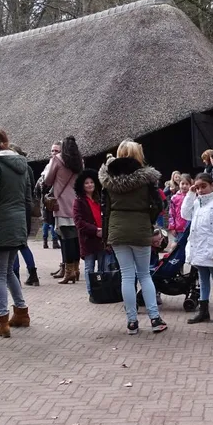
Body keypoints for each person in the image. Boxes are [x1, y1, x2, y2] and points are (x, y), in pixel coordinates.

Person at [98, 140, 168, 335]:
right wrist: (149, 221)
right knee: (144, 275)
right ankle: (154, 318)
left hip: (117, 229)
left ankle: (132, 322)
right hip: (140, 228)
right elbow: (158, 205)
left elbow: (105, 209)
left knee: (127, 276)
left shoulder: (107, 179)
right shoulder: (147, 179)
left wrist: (106, 235)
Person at [0, 128, 32, 338]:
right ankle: (21, 312)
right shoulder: (23, 164)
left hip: (1, 222)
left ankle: (2, 319)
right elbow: (28, 197)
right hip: (19, 221)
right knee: (9, 270)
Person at [182, 173, 213, 326]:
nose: (200, 190)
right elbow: (185, 214)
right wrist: (190, 194)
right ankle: (203, 310)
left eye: (203, 186)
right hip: (199, 247)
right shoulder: (198, 202)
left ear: (212, 185)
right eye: (197, 187)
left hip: (212, 247)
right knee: (202, 278)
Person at [45, 136, 84, 284]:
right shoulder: (80, 161)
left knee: (66, 239)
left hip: (61, 203)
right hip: (76, 203)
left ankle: (69, 272)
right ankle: (76, 269)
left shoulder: (58, 160)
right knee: (75, 239)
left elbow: (48, 180)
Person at [8, 144, 40, 287]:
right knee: (23, 243)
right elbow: (31, 187)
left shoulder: (10, 168)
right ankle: (33, 274)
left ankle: (15, 276)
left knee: (13, 245)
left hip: (13, 208)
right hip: (25, 207)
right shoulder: (28, 168)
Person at [73, 168, 106, 297]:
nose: (89, 185)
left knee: (103, 268)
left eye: (91, 182)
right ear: (82, 185)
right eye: (86, 183)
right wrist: (95, 230)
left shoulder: (100, 199)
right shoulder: (79, 201)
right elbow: (78, 222)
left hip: (102, 238)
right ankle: (92, 292)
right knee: (89, 267)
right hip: (88, 239)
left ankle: (102, 290)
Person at [38, 144, 62, 251]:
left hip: (48, 198)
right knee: (51, 221)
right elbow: (42, 184)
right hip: (50, 198)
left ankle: (47, 241)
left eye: (56, 151)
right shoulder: (49, 166)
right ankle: (53, 241)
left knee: (47, 221)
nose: (54, 153)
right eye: (52, 150)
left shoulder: (51, 166)